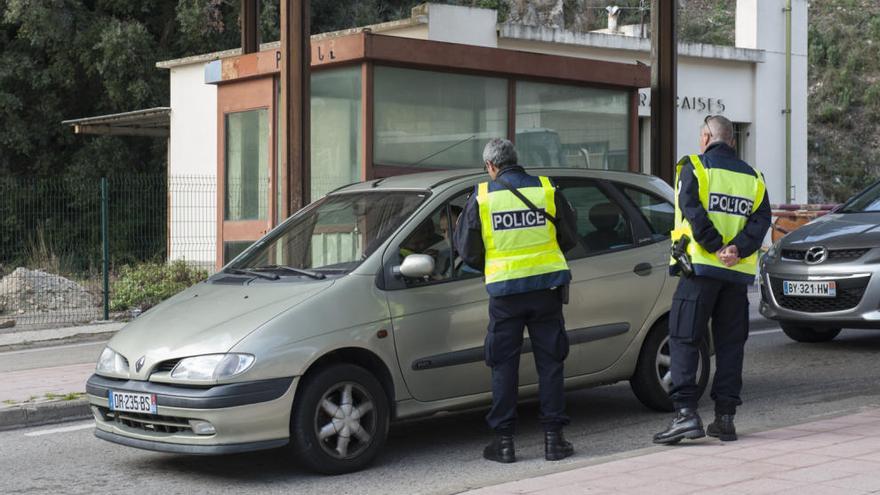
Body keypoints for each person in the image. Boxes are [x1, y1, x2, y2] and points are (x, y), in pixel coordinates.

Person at [454, 138, 578, 463]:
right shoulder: (547, 190)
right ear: (515, 160)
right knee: (550, 363)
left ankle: (505, 444)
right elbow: (569, 236)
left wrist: (494, 264)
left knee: (503, 366)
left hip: (505, 294)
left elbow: (467, 250)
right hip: (546, 290)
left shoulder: (482, 198)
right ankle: (554, 440)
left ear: (491, 166)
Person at [653, 115, 771, 445]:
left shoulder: (694, 166)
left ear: (706, 137)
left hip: (700, 270)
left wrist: (716, 246)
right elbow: (761, 221)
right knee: (731, 345)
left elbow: (691, 208)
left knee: (684, 338)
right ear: (731, 141)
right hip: (735, 276)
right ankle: (725, 419)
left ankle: (685, 415)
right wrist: (737, 248)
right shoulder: (754, 178)